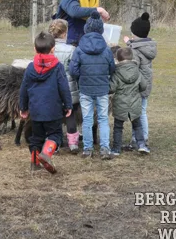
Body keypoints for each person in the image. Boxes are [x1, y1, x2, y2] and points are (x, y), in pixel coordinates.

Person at [19, 32, 72, 174]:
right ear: (53, 49)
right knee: (55, 135)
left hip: (36, 110)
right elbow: (64, 87)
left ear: (35, 49)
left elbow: (24, 88)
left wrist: (23, 107)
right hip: (53, 109)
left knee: (36, 137)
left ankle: (35, 163)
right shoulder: (58, 67)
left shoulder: (30, 67)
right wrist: (68, 105)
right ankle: (46, 154)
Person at [70, 11, 115, 159]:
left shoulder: (79, 49)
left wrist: (80, 79)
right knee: (103, 119)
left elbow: (73, 70)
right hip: (102, 88)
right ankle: (104, 149)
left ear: (86, 29)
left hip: (85, 88)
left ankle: (88, 149)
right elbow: (112, 68)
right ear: (101, 30)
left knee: (87, 119)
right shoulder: (107, 50)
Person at [123, 12, 157, 149]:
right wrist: (129, 43)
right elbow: (137, 45)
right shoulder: (147, 46)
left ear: (135, 33)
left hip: (138, 86)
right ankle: (139, 138)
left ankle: (140, 139)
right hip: (146, 84)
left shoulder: (135, 50)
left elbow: (133, 66)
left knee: (139, 112)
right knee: (141, 110)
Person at [48, 19, 82, 153]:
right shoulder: (72, 49)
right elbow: (74, 70)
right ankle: (73, 144)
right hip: (69, 88)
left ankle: (54, 144)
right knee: (70, 115)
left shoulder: (48, 49)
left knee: (55, 117)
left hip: (52, 88)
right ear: (64, 33)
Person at [109, 47, 148, 155]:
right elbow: (144, 85)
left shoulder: (116, 72)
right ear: (131, 57)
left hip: (120, 103)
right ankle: (142, 145)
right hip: (135, 102)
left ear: (117, 58)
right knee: (137, 125)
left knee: (118, 127)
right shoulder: (137, 70)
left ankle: (116, 149)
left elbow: (111, 88)